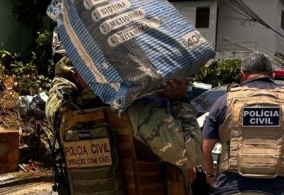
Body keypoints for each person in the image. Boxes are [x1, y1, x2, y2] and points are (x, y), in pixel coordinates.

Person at [45, 56, 203, 192]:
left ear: (77, 77)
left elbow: (59, 82)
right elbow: (193, 155)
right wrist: (179, 100)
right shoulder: (139, 112)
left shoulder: (62, 114)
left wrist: (71, 63)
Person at [202, 52, 284, 195]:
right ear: (273, 75)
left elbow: (205, 149)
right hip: (278, 190)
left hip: (230, 188)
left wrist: (210, 175)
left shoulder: (224, 101)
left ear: (243, 74)